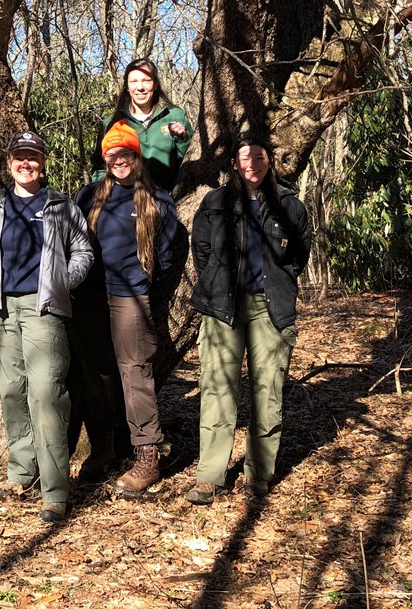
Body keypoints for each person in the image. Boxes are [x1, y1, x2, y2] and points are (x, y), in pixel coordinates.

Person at [0, 130, 93, 524]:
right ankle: (22, 471)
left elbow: (83, 250)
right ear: (9, 163)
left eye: (33, 157)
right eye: (19, 158)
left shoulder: (60, 205)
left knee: (46, 393)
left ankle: (55, 490)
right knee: (10, 390)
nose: (26, 164)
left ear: (43, 162)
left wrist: (61, 280)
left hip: (43, 310)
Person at [186, 135, 313, 504]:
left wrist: (279, 280)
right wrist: (215, 278)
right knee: (217, 390)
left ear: (269, 161)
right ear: (235, 165)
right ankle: (210, 476)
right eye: (245, 157)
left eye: (259, 157)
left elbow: (298, 254)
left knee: (267, 391)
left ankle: (258, 474)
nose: (252, 164)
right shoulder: (216, 202)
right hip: (224, 307)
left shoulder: (289, 206)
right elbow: (202, 249)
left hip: (270, 307)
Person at [74, 121, 179, 496]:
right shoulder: (88, 197)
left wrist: (144, 283)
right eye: (112, 155)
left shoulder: (158, 200)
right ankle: (103, 448)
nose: (119, 160)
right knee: (96, 374)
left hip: (130, 297)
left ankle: (147, 455)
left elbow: (167, 258)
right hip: (89, 299)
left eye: (126, 154)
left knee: (136, 373)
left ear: (137, 156)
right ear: (105, 159)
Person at [90, 58, 193, 194]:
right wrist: (106, 195)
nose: (140, 87)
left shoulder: (175, 116)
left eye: (146, 80)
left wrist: (182, 138)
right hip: (123, 201)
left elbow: (191, 161)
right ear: (127, 86)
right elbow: (99, 167)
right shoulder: (112, 123)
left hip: (166, 200)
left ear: (155, 84)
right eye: (134, 81)